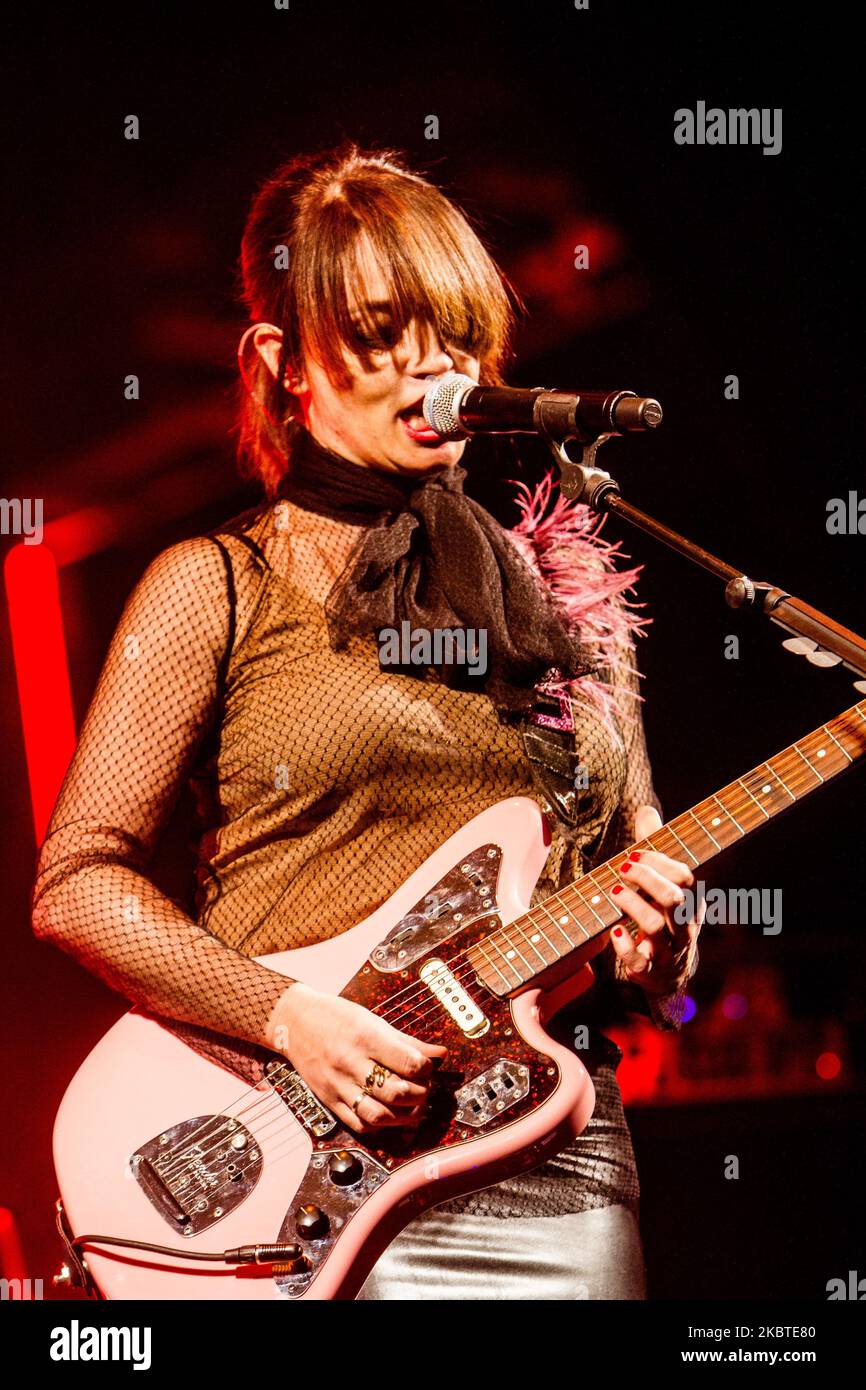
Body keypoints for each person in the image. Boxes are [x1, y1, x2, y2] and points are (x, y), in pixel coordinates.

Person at [31, 141, 701, 1300]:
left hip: (553, 1157)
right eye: (385, 332)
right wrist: (291, 1016)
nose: (431, 364)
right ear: (282, 362)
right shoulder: (218, 581)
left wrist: (658, 936)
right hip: (303, 1151)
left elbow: (629, 877)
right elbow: (76, 880)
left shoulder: (575, 600)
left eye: (450, 330)